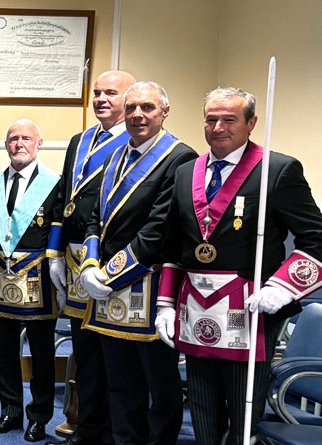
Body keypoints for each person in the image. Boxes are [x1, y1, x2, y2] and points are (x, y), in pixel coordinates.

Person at [117, 87, 322, 444]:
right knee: (202, 406)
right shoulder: (186, 172)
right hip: (196, 308)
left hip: (253, 307)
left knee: (243, 413)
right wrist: (165, 304)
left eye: (229, 119)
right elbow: (175, 247)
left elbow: (316, 239)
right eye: (211, 119)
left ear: (251, 123)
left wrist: (283, 287)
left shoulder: (277, 169)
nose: (218, 127)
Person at [73, 81, 194, 444]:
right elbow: (95, 217)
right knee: (120, 382)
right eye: (131, 108)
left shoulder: (179, 157)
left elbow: (159, 229)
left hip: (150, 288)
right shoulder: (115, 155)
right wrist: (91, 263)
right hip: (108, 291)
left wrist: (107, 274)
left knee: (159, 385)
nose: (138, 115)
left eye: (148, 108)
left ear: (165, 112)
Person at [48, 70, 135, 445]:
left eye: (111, 93)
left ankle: (113, 435)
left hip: (111, 264)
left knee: (114, 358)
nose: (100, 99)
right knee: (84, 351)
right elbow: (63, 198)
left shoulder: (139, 142)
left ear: (129, 99)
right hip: (74, 259)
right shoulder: (79, 140)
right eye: (97, 92)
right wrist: (54, 251)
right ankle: (87, 430)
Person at [0, 119, 64, 443]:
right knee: (3, 351)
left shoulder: (55, 182)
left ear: (39, 143)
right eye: (13, 139)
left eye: (26, 138)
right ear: (6, 145)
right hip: (0, 274)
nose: (19, 144)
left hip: (39, 277)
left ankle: (38, 417)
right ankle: (10, 412)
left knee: (41, 354)